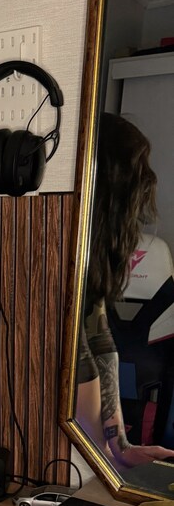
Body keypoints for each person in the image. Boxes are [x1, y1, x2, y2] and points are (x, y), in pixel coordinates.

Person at [76, 112, 174, 466]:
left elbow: (100, 343)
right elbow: (79, 363)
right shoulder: (61, 251)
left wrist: (120, 444)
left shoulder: (94, 256)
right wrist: (106, 457)